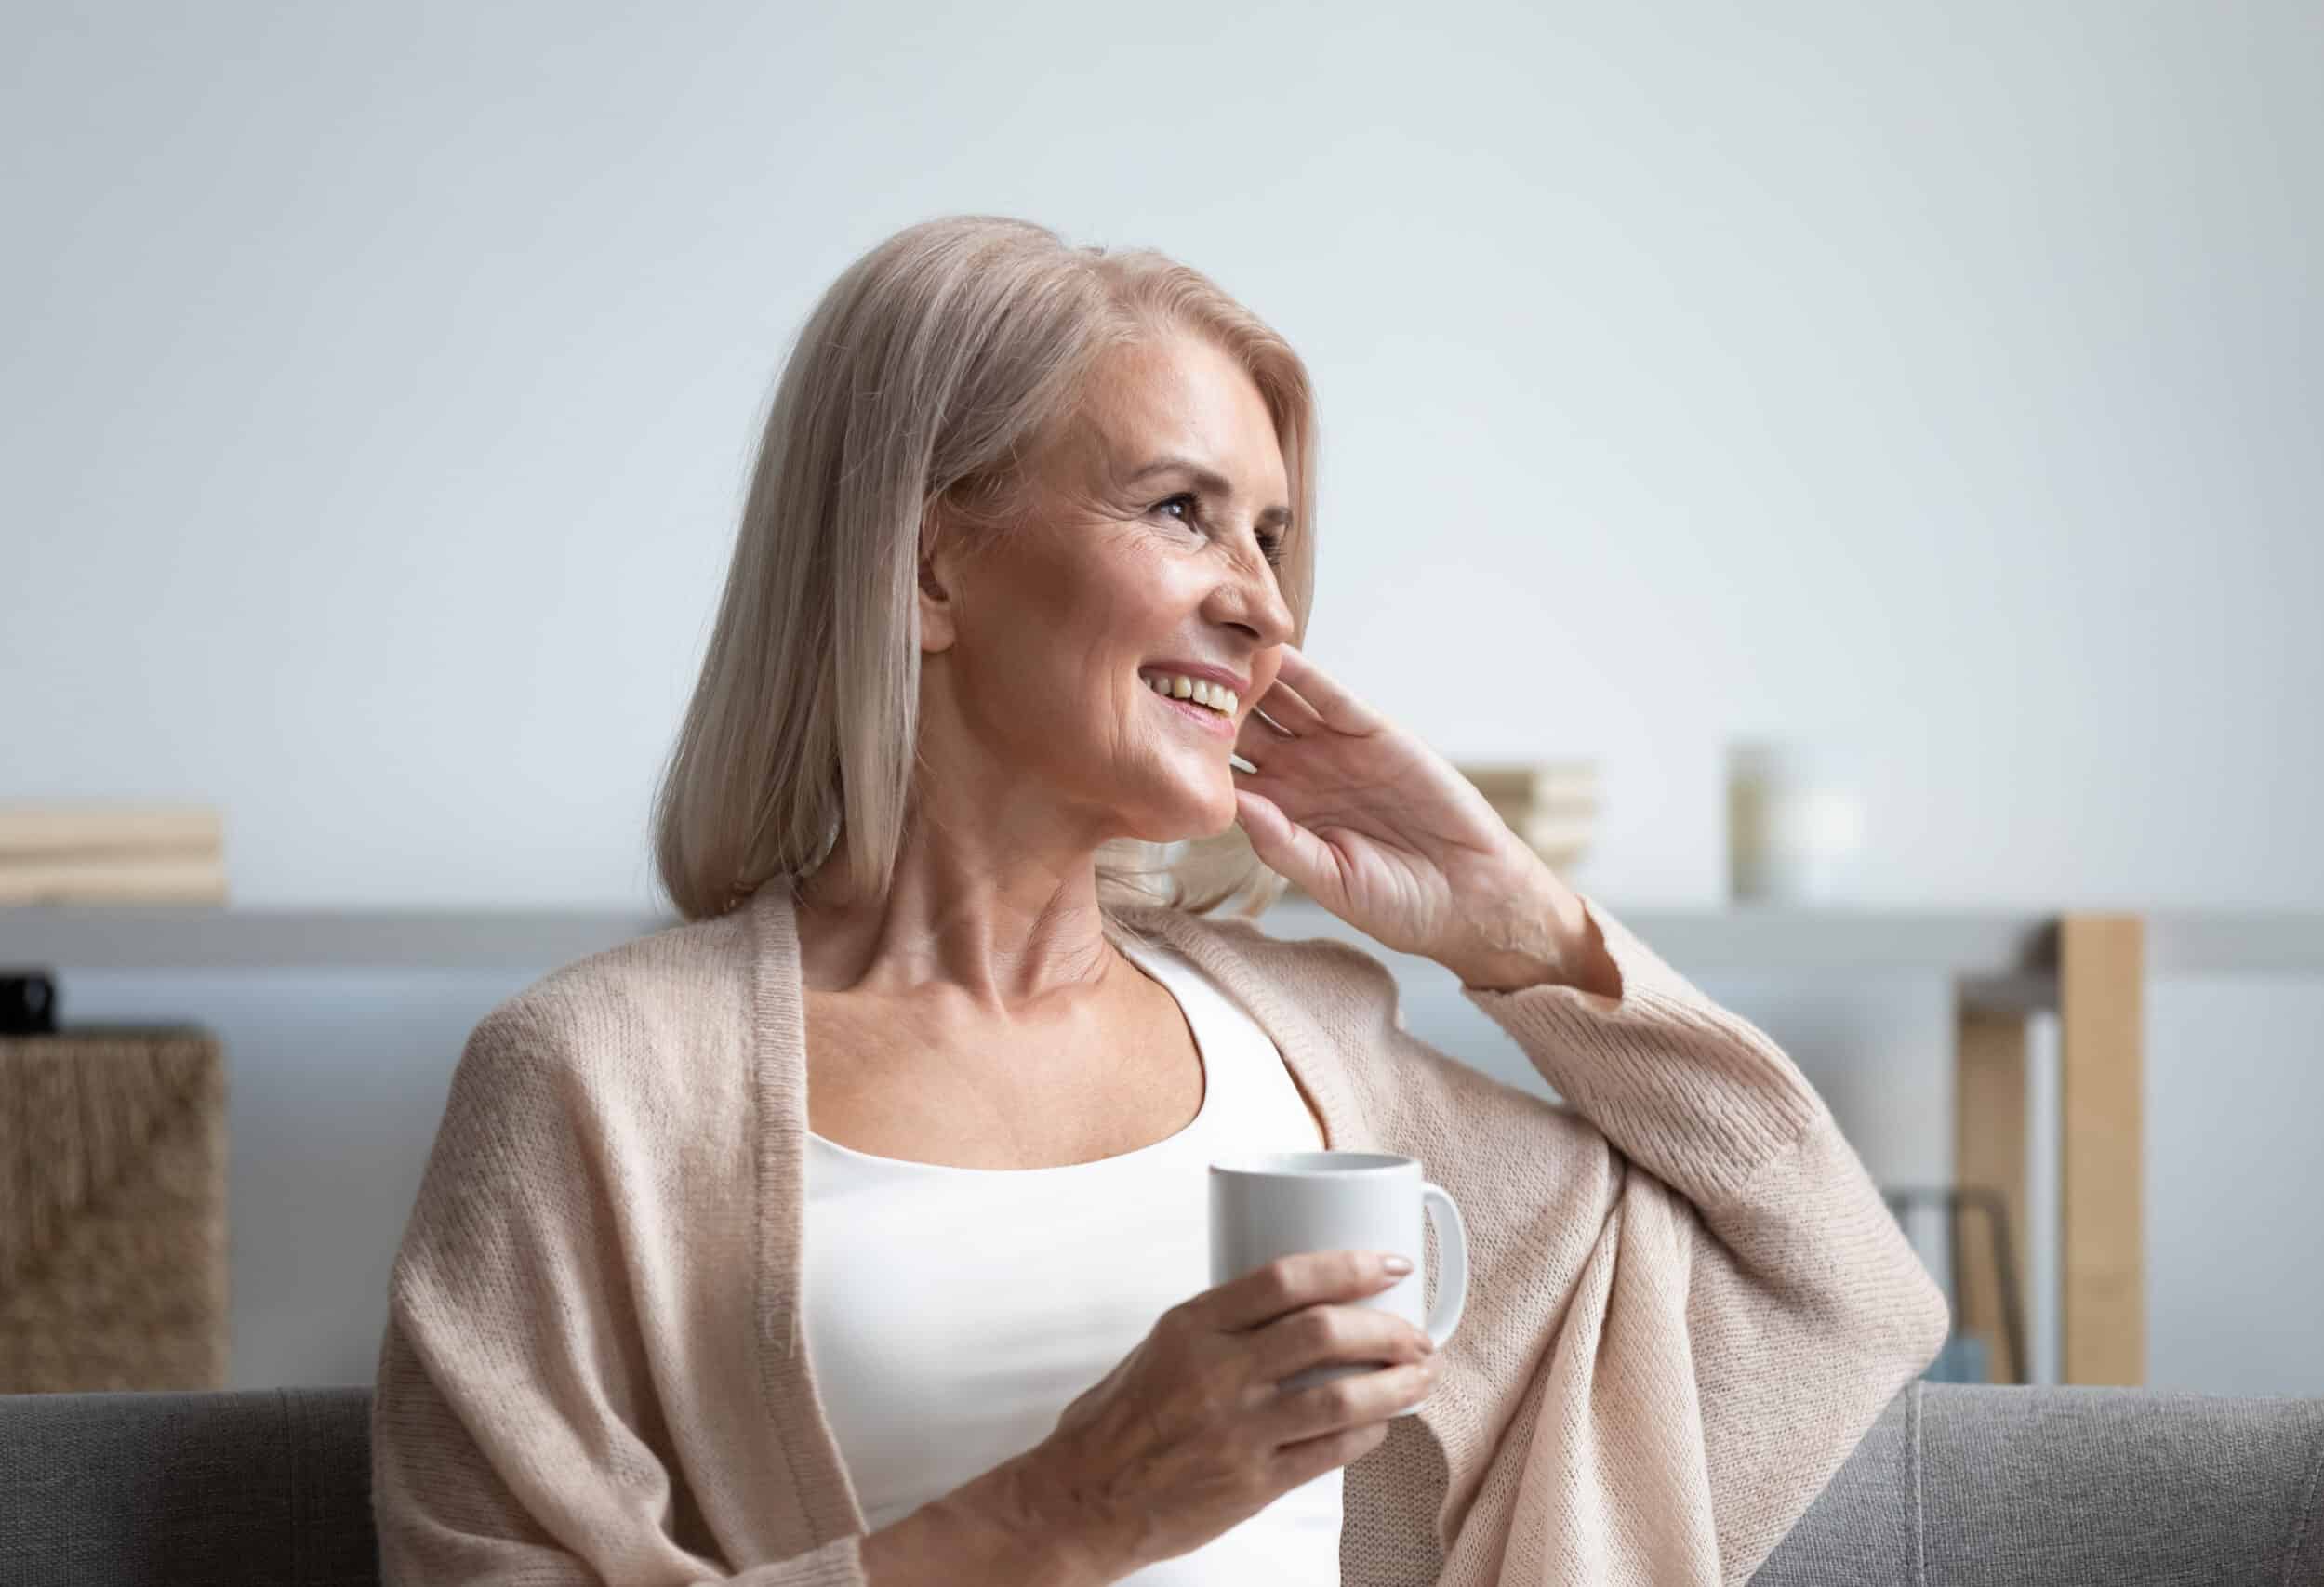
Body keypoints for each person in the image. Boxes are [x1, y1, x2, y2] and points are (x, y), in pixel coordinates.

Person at [370, 215, 1948, 1587]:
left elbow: (1833, 1281)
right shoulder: (596, 1084)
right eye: (1180, 510)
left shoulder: (1311, 1044)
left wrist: (1514, 928)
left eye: (1272, 535)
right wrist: (1073, 1510)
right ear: (929, 568)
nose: (1262, 603)